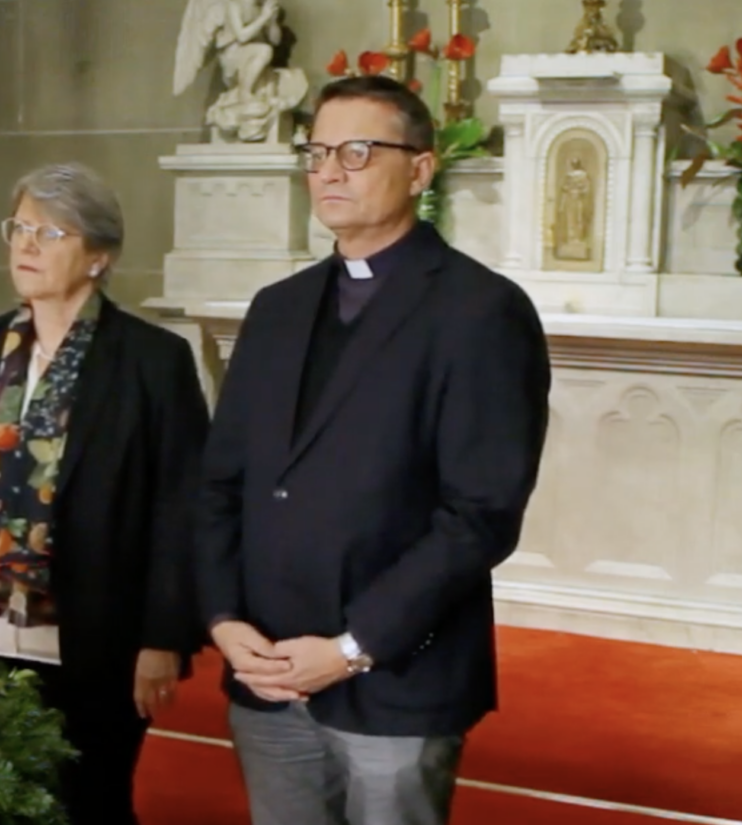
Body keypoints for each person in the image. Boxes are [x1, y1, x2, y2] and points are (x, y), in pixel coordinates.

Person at [195, 75, 552, 825]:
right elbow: (221, 482)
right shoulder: (277, 308)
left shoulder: (480, 311)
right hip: (266, 667)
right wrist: (226, 619)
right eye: (318, 151)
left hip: (396, 674)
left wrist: (353, 646)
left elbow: (480, 513)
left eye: (357, 151)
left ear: (420, 168)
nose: (329, 170)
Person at [0, 163, 208, 824]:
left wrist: (163, 637)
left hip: (95, 637)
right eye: (19, 226)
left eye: (51, 231)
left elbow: (181, 511)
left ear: (98, 255)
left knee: (88, 803)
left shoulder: (153, 362)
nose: (26, 245)